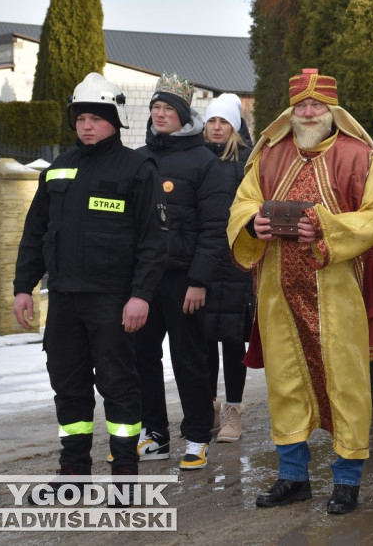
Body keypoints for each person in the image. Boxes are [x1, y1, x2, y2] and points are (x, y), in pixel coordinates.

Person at [228, 68, 373, 515]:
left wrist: (326, 227)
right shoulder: (270, 154)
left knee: (347, 383)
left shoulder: (359, 156)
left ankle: (345, 480)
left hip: (338, 290)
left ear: (332, 110)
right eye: (300, 105)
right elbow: (244, 201)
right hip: (278, 293)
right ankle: (293, 476)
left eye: (316, 105)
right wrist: (252, 222)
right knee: (285, 383)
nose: (307, 111)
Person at [13, 73, 168, 498]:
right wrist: (23, 286)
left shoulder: (137, 168)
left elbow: (154, 241)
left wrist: (140, 295)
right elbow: (35, 232)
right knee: (68, 382)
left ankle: (124, 474)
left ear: (114, 121)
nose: (86, 126)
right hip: (64, 298)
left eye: (96, 118)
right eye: (80, 118)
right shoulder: (58, 168)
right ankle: (74, 469)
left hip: (113, 300)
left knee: (118, 383)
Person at [134, 73, 230, 471]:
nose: (160, 114)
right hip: (143, 280)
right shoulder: (138, 158)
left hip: (183, 279)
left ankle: (196, 436)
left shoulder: (204, 162)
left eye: (167, 109)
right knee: (141, 358)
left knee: (189, 359)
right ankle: (154, 434)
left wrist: (198, 281)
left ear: (183, 115)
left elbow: (215, 226)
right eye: (156, 108)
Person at [202, 93, 254, 442]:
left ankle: (234, 411)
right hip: (203, 261)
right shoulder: (196, 159)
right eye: (212, 121)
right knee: (202, 339)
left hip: (238, 262)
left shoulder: (249, 162)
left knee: (234, 342)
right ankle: (209, 405)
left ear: (234, 127)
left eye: (223, 121)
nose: (217, 127)